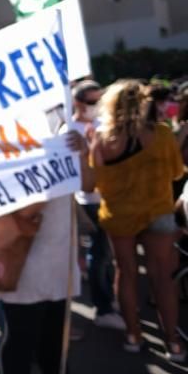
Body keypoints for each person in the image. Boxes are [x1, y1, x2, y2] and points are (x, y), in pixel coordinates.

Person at [0, 130, 114, 374]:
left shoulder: (62, 133)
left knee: (54, 337)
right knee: (21, 339)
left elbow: (89, 185)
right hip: (21, 257)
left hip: (58, 256)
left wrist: (82, 153)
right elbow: (18, 207)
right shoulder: (2, 138)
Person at [90, 80, 186, 361]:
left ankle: (133, 336)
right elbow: (177, 173)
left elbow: (97, 184)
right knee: (164, 279)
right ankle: (174, 342)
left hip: (120, 215)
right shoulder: (162, 134)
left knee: (126, 273)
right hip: (158, 211)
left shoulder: (102, 140)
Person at [70, 80, 124, 330]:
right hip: (89, 202)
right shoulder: (68, 131)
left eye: (100, 101)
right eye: (92, 102)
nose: (97, 106)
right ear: (78, 103)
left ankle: (109, 299)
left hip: (111, 199)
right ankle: (102, 308)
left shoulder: (104, 124)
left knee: (107, 256)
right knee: (98, 255)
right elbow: (79, 178)